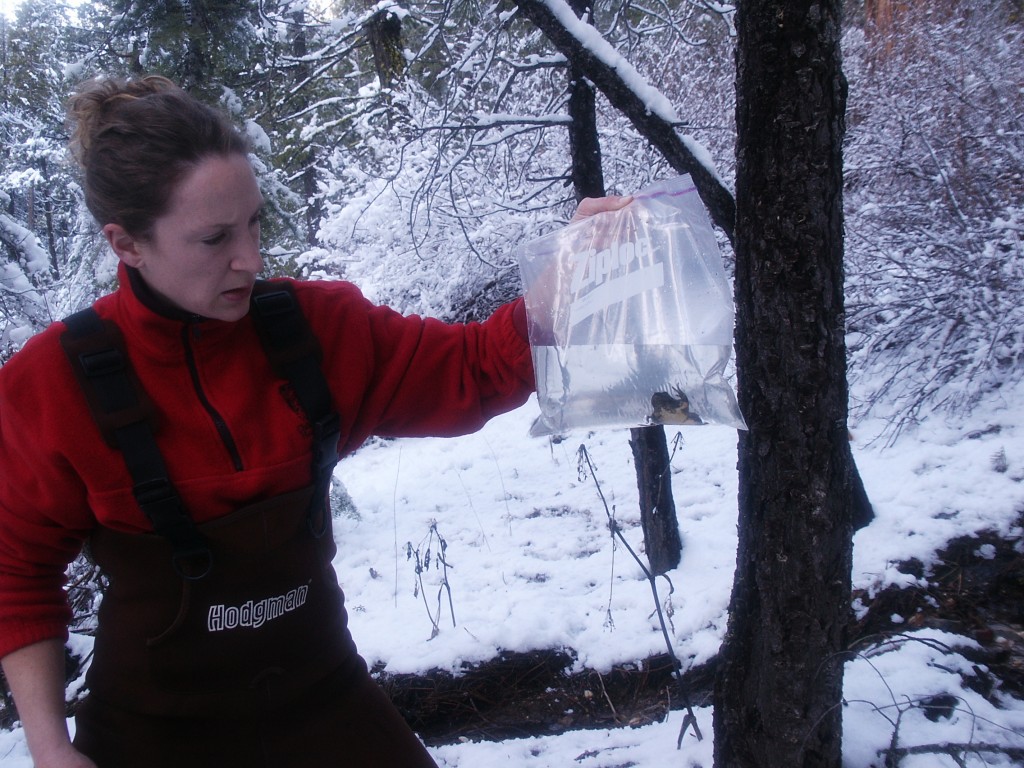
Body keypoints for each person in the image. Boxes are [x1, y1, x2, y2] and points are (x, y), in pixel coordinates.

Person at [0, 75, 629, 768]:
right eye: (214, 238)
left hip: (324, 703)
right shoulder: (54, 383)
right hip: (152, 733)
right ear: (126, 246)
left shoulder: (315, 332)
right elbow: (15, 571)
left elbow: (469, 370)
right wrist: (51, 747)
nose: (251, 258)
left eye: (254, 223)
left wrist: (560, 284)